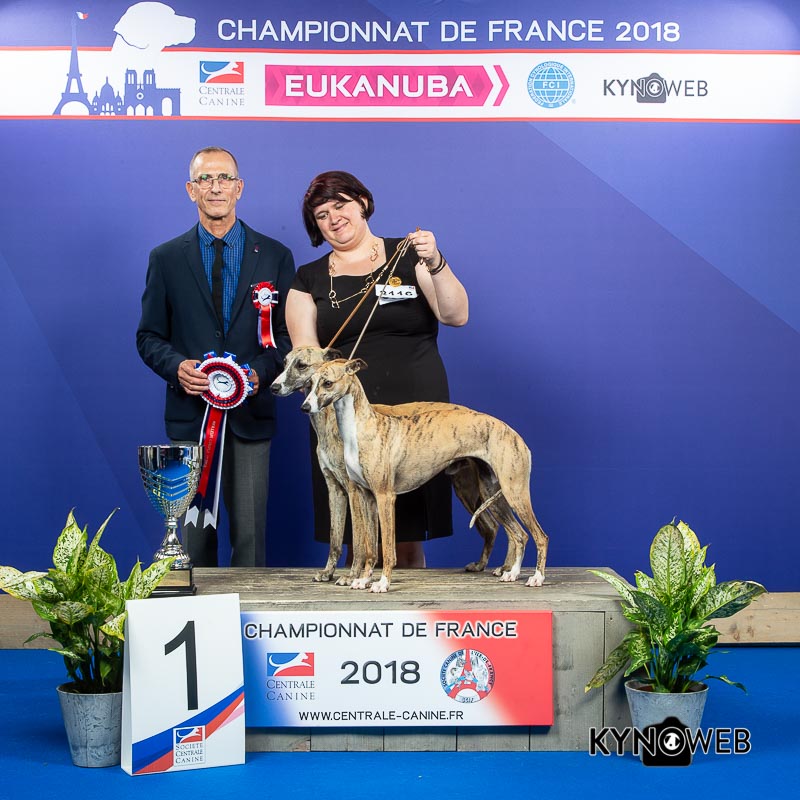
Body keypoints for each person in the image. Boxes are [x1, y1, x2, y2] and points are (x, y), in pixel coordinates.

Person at [286, 170, 469, 567]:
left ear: (363, 203)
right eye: (321, 215)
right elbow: (306, 360)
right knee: (360, 541)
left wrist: (435, 261)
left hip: (415, 415)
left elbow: (456, 315)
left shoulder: (408, 254)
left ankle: (410, 605)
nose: (333, 218)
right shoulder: (307, 279)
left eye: (340, 205)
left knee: (407, 540)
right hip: (347, 418)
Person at [137, 146, 295, 567]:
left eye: (224, 178)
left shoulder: (275, 255)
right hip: (191, 419)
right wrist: (176, 367)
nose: (215, 187)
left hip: (251, 416)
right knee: (191, 544)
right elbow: (148, 336)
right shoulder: (165, 258)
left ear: (239, 188)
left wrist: (259, 374)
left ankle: (250, 610)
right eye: (204, 179)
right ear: (191, 190)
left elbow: (288, 336)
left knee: (251, 540)